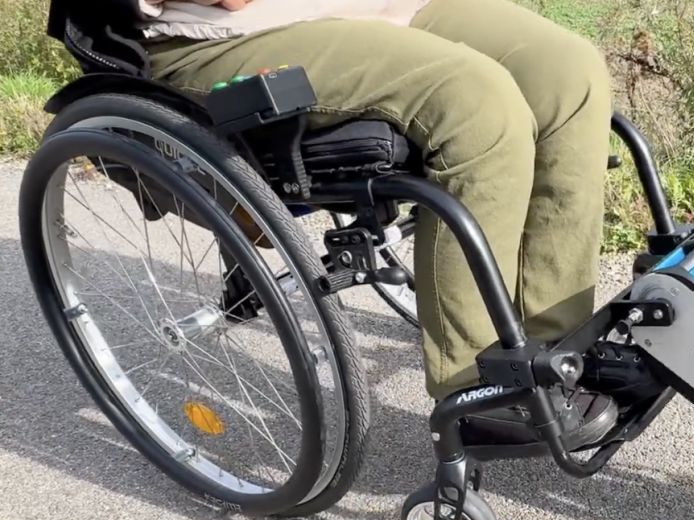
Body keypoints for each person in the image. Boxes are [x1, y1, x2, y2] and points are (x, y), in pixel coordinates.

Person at [51, 0, 629, 450]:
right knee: (478, 105)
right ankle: (478, 384)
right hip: (211, 33)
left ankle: (556, 344)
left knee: (567, 72)